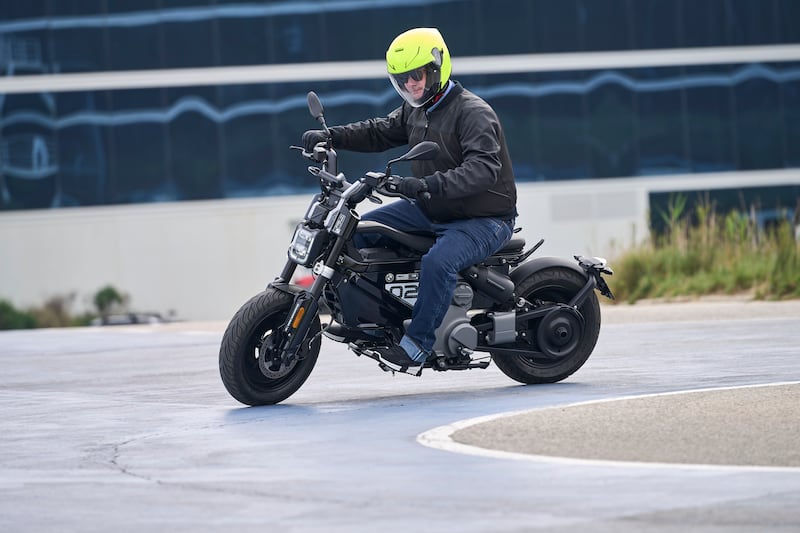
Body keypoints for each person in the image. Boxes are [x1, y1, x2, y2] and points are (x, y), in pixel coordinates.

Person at [302, 27, 517, 368]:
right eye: (403, 79)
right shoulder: (415, 109)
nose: (411, 85)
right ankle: (374, 319)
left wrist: (424, 184)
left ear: (436, 68)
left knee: (438, 262)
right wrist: (332, 136)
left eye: (416, 76)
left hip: (484, 218)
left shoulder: (473, 112)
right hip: (432, 208)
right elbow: (379, 131)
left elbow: (483, 170)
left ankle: (417, 344)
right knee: (359, 229)